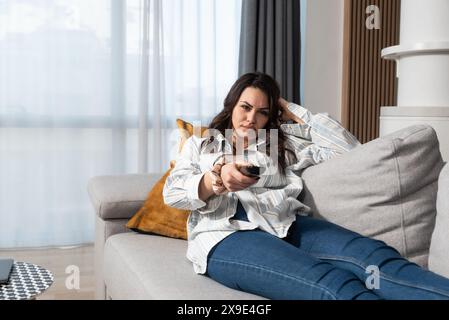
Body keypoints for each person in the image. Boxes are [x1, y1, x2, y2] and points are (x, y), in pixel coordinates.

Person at [163, 72, 449, 300]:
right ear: (231, 105)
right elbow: (173, 193)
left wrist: (293, 111)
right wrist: (216, 179)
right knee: (334, 284)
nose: (251, 119)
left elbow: (350, 150)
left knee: (376, 260)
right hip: (227, 235)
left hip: (289, 224)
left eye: (263, 112)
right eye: (245, 107)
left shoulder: (286, 144)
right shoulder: (201, 145)